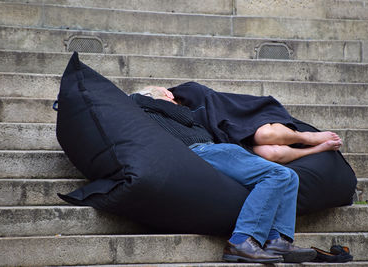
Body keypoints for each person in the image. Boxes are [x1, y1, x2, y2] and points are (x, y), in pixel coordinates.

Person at [130, 87, 317, 263]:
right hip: (202, 151)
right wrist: (163, 98)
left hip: (209, 151)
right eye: (170, 95)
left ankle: (279, 241)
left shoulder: (153, 111)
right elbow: (185, 116)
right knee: (277, 174)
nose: (177, 100)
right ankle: (242, 240)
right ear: (163, 94)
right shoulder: (149, 106)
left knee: (290, 176)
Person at [163, 82, 342, 164]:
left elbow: (209, 99)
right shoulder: (169, 121)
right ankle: (316, 149)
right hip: (228, 140)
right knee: (271, 153)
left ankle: (306, 137)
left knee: (265, 135)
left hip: (240, 116)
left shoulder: (186, 92)